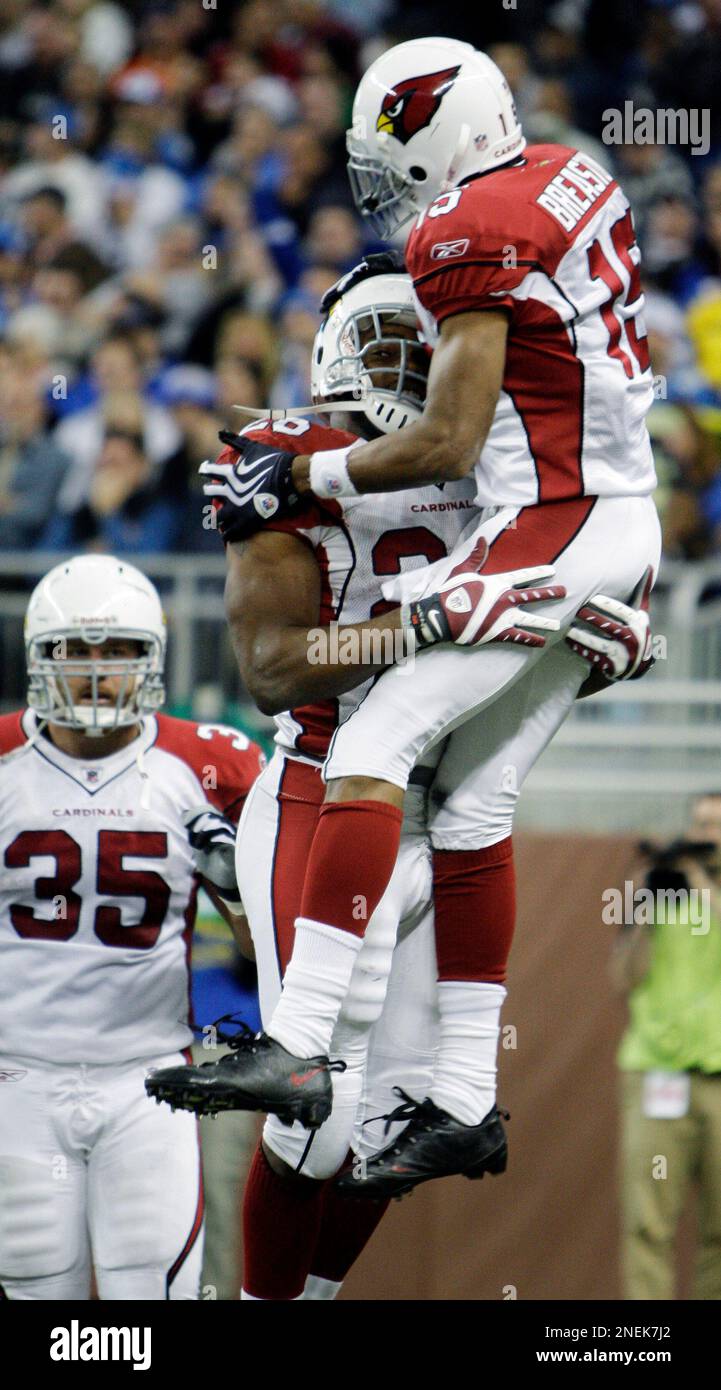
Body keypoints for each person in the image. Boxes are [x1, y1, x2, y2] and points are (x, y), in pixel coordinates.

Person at [149, 38, 662, 1195]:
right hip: (597, 518)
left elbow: (446, 440)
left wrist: (309, 478)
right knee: (474, 796)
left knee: (380, 740)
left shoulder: (458, 243)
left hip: (559, 518)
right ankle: (466, 1102)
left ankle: (302, 1042)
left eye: (406, 334)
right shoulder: (563, 179)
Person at [0, 555, 264, 1300]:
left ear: (150, 655)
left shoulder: (210, 764)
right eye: (73, 651)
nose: (94, 671)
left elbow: (274, 957)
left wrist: (236, 886)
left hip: (149, 1081)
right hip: (15, 1079)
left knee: (149, 1297)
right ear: (38, 658)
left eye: (115, 649)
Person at [613, 794, 721, 1301]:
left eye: (717, 826)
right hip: (658, 1075)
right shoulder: (666, 894)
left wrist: (703, 887)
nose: (706, 836)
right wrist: (643, 905)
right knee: (647, 1223)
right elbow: (624, 978)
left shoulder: (703, 893)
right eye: (700, 825)